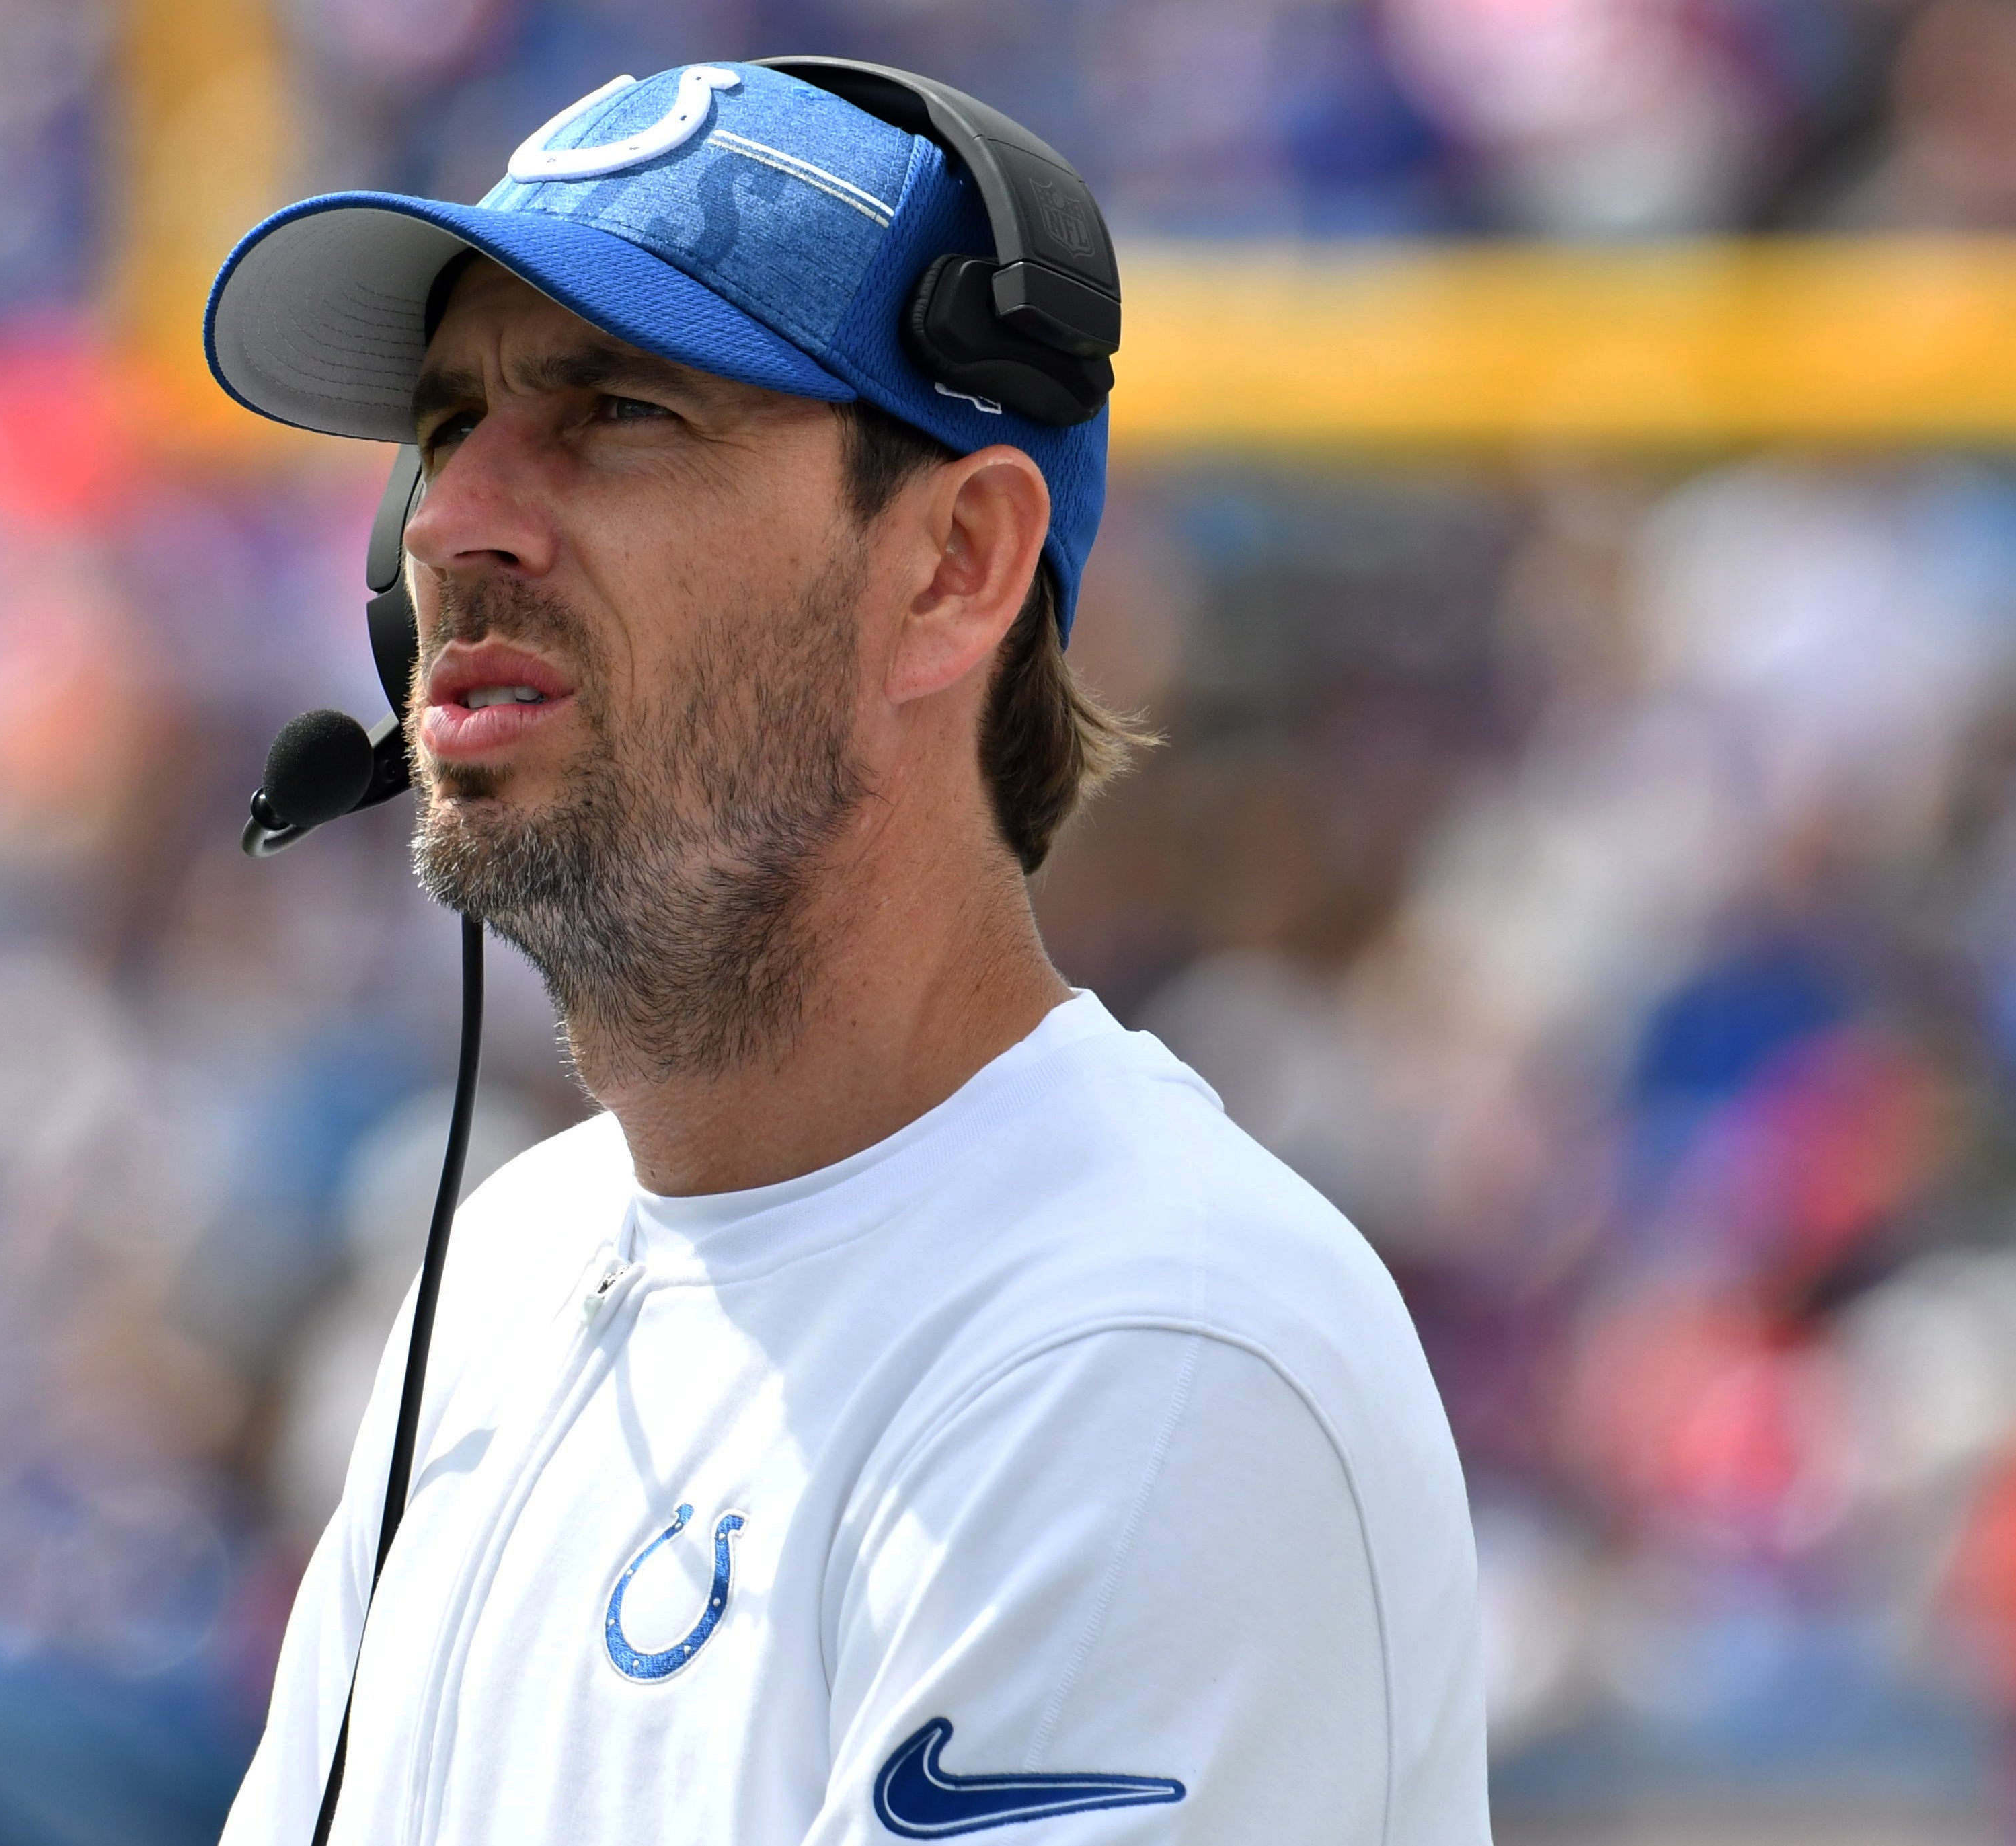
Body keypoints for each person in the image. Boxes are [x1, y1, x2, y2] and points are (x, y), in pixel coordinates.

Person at [200, 61, 1488, 1845]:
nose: (445, 522)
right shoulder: (493, 1278)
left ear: (954, 565)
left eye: (614, 413)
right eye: (443, 427)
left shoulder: (1152, 1345)